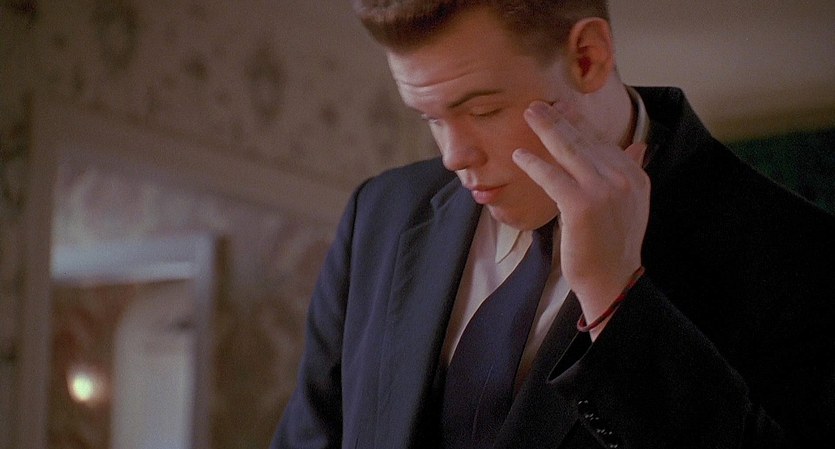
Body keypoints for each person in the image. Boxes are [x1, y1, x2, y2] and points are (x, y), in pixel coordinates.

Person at [270, 1, 835, 448]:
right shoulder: (381, 213)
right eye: (430, 117)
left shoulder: (802, 256)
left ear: (588, 57)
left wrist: (617, 299)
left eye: (483, 110)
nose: (453, 156)